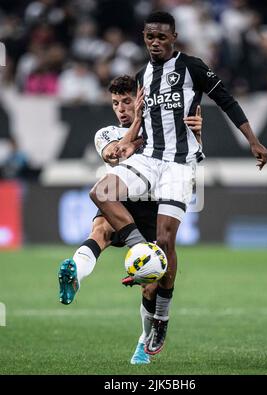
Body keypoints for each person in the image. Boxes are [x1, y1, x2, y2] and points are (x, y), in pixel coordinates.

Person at [89, 11, 267, 356]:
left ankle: (161, 317)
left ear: (174, 36)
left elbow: (227, 100)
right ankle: (142, 249)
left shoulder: (193, 67)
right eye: (149, 37)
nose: (155, 43)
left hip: (179, 164)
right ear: (144, 38)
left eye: (161, 37)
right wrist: (126, 144)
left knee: (167, 238)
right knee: (101, 192)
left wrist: (253, 140)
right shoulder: (143, 77)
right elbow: (142, 126)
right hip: (149, 158)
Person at [58, 74, 203, 364]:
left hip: (154, 210)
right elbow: (114, 156)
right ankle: (74, 279)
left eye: (127, 101)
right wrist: (140, 125)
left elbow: (190, 158)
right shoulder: (107, 132)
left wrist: (196, 134)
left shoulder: (166, 129)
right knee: (100, 229)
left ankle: (143, 343)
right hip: (122, 205)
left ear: (142, 100)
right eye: (116, 103)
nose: (122, 108)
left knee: (151, 284)